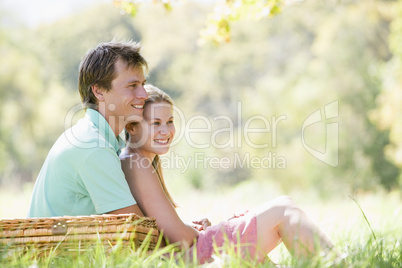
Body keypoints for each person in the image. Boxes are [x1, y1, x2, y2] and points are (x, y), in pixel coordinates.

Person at [120, 85, 338, 264]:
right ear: (132, 127)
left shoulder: (137, 160)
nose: (166, 131)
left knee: (279, 212)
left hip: (184, 254)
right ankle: (339, 264)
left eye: (169, 122)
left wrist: (192, 228)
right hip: (186, 259)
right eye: (155, 123)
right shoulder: (136, 163)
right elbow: (181, 240)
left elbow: (165, 231)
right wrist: (194, 231)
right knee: (283, 209)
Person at [27, 40, 148, 217]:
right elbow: (137, 230)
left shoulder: (93, 136)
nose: (144, 94)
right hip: (58, 245)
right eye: (132, 86)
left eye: (143, 85)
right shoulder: (92, 145)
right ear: (98, 91)